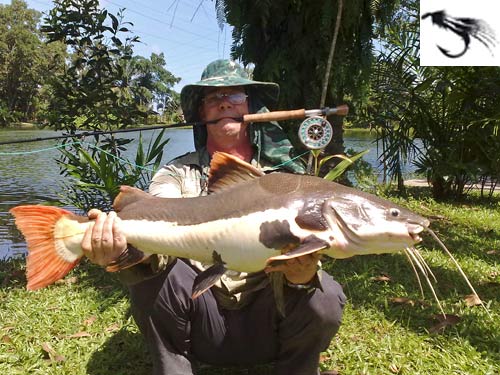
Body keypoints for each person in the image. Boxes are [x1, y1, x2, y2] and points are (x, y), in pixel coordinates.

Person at [81, 59, 346, 375]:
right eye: (212, 98)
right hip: (199, 321)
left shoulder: (288, 180)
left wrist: (302, 275)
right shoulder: (174, 174)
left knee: (325, 293)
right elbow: (160, 224)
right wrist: (122, 250)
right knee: (149, 280)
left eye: (235, 96)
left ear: (251, 107)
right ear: (201, 113)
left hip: (269, 321)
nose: (224, 103)